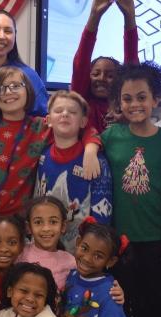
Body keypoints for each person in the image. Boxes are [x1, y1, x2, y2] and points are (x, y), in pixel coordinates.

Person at [0, 66, 101, 260]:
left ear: (28, 91)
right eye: (1, 88)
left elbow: (84, 129)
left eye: (16, 85)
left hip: (19, 225)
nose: (8, 92)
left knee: (15, 283)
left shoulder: (42, 127)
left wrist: (91, 149)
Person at [103, 61, 161, 317]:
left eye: (142, 97)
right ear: (119, 102)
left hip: (155, 240)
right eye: (127, 98)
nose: (135, 105)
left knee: (152, 307)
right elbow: (91, 143)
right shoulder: (110, 137)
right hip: (118, 242)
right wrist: (92, 147)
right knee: (120, 303)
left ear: (156, 99)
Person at [35, 90, 113, 249]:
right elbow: (37, 197)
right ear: (48, 120)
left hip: (81, 250)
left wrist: (92, 249)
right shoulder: (42, 156)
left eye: (72, 112)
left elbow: (103, 212)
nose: (64, 114)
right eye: (58, 111)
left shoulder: (97, 161)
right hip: (46, 244)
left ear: (83, 122)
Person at [72, 0, 139, 133]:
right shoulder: (81, 100)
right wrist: (94, 15)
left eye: (110, 76)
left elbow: (132, 68)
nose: (101, 78)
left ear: (119, 81)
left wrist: (129, 16)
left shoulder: (124, 103)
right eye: (95, 73)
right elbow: (81, 61)